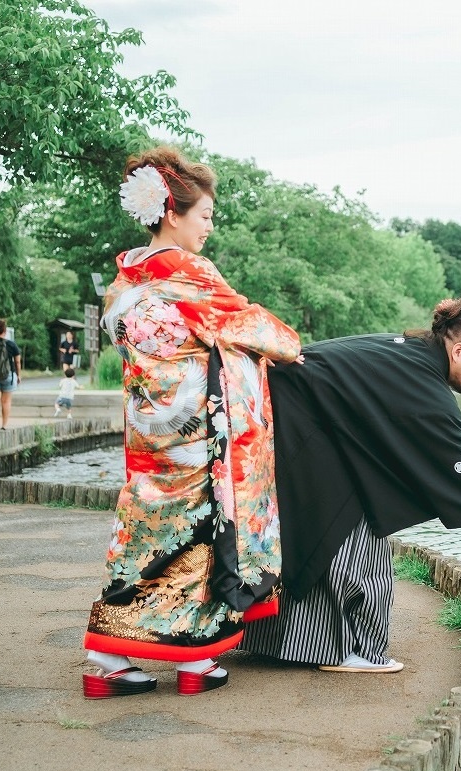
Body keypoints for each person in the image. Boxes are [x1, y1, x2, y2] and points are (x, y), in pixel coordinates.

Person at [81, 146, 301, 699]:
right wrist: (290, 347)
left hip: (151, 429)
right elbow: (251, 326)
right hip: (199, 433)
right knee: (205, 532)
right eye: (204, 215)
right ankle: (188, 662)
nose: (209, 227)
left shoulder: (125, 278)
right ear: (172, 213)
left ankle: (115, 656)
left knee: (146, 531)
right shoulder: (189, 273)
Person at [242, 295, 461, 673]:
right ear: (458, 350)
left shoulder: (404, 352)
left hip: (295, 433)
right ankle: (351, 653)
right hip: (299, 436)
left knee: (334, 540)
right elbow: (458, 463)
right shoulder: (424, 384)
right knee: (358, 553)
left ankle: (278, 643)